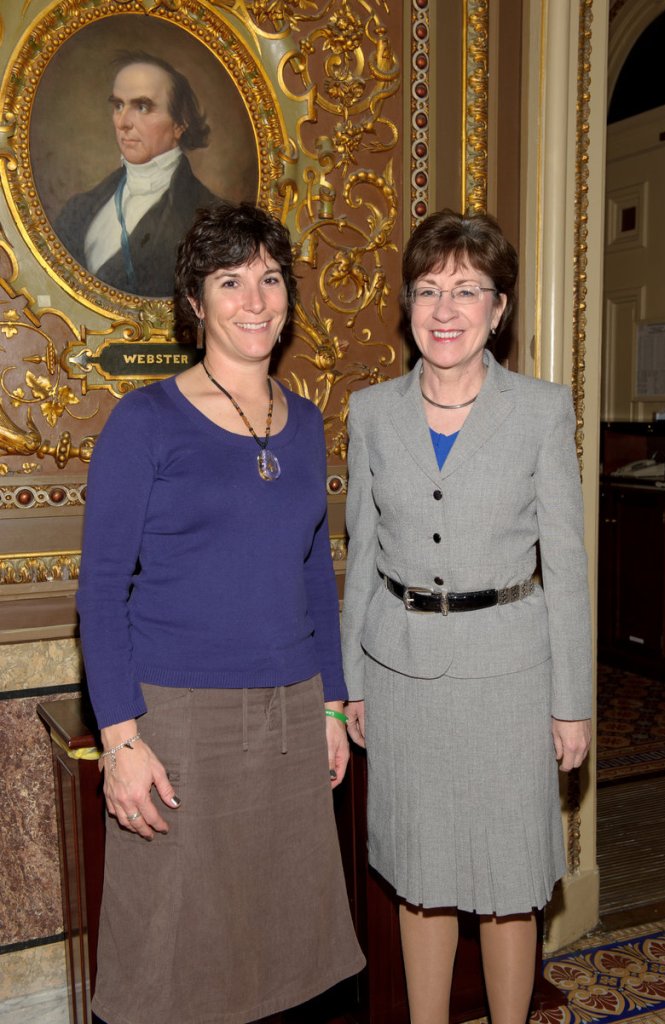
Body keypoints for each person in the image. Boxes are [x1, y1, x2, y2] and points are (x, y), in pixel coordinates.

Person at [77, 201, 365, 1024]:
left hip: (291, 712)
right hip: (178, 723)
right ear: (195, 303)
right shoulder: (144, 423)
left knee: (287, 946)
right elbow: (99, 591)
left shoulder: (305, 423)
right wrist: (121, 743)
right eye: (230, 280)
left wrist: (333, 706)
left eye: (270, 278)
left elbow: (316, 569)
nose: (255, 299)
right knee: (168, 956)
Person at [341, 210, 592, 1024]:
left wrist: (572, 701)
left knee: (509, 882)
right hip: (400, 677)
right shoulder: (371, 412)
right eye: (427, 291)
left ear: (499, 308)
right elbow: (360, 559)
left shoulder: (542, 411)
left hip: (511, 677)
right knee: (422, 875)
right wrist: (353, 688)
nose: (444, 311)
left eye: (466, 291)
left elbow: (568, 564)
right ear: (408, 304)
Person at [55, 51, 221, 297]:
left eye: (142, 107)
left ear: (180, 124)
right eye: (118, 105)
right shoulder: (80, 208)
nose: (122, 122)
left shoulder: (213, 219)